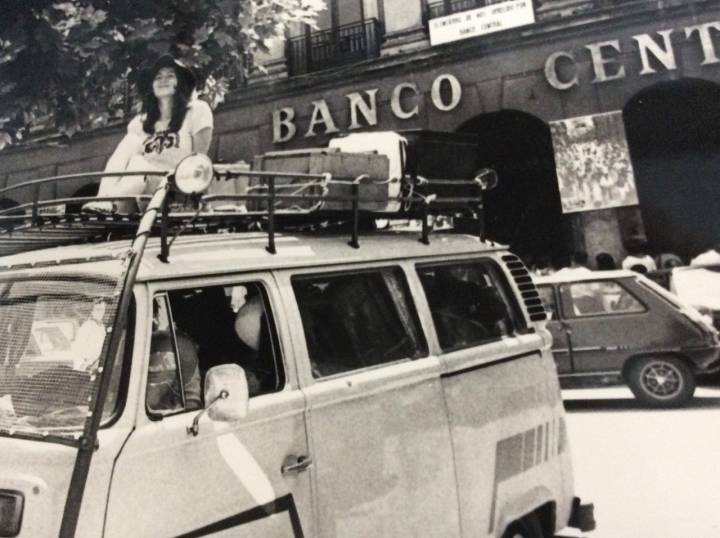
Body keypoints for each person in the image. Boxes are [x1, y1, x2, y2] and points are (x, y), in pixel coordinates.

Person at [83, 55, 214, 214]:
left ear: (180, 83)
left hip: (175, 190)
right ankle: (104, 200)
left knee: (139, 164)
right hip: (140, 192)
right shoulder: (139, 123)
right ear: (151, 86)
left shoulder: (197, 110)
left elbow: (199, 162)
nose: (163, 80)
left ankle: (109, 203)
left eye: (170, 75)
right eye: (157, 77)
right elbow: (127, 164)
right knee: (133, 146)